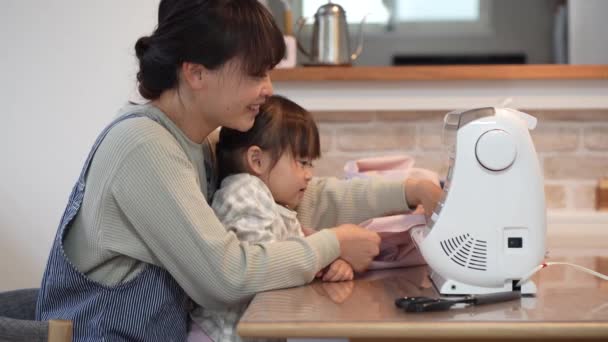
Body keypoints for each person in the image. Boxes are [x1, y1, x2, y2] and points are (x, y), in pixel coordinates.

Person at [35, 0, 442, 341]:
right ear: (195, 73)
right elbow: (225, 277)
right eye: (255, 73)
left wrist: (406, 190)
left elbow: (296, 195)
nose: (267, 88)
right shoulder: (144, 148)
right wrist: (332, 245)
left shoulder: (203, 141)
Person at [190, 95, 354, 341]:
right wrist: (321, 253)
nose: (310, 175)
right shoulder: (244, 192)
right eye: (303, 162)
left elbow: (294, 260)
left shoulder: (273, 204)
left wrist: (329, 263)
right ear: (257, 160)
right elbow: (266, 271)